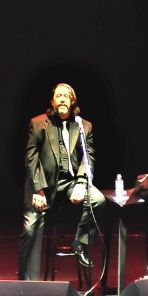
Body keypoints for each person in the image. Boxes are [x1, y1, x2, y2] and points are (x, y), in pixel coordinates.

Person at [18, 83, 106, 281]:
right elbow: (31, 159)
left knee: (98, 200)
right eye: (59, 96)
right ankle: (27, 286)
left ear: (73, 101)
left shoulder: (84, 126)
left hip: (71, 184)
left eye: (67, 96)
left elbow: (88, 158)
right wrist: (38, 190)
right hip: (43, 185)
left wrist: (81, 183)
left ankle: (81, 243)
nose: (63, 99)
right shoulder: (38, 123)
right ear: (52, 102)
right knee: (30, 228)